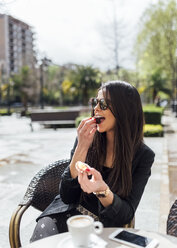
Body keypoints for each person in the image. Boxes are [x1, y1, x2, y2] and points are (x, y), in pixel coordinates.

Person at [30, 80, 155, 242]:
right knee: (45, 232)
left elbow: (126, 213)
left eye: (103, 104)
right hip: (67, 214)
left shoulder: (143, 156)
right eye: (95, 102)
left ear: (124, 110)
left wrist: (102, 190)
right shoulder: (87, 138)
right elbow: (67, 196)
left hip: (104, 227)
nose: (96, 108)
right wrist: (82, 146)